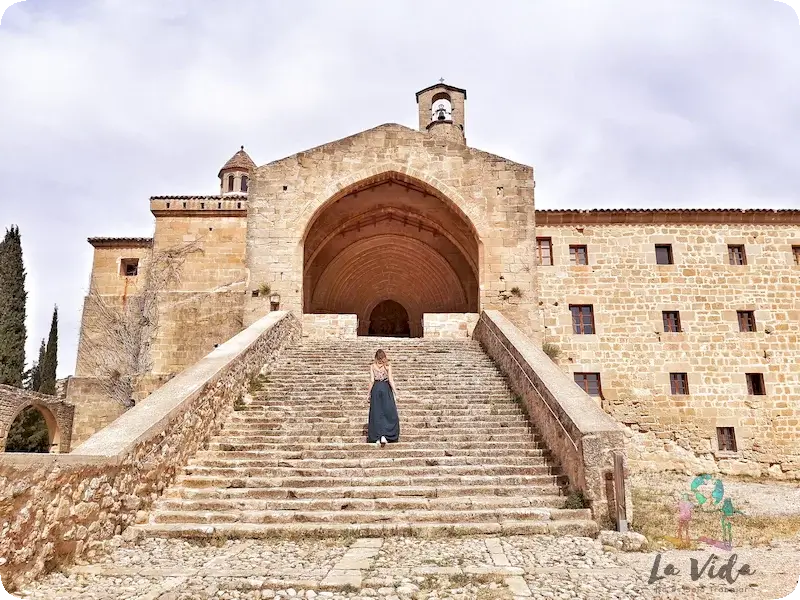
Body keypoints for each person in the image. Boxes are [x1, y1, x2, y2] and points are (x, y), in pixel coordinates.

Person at [366, 349, 400, 447]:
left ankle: (377, 436)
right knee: (387, 412)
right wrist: (396, 392)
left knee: (376, 412)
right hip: (385, 389)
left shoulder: (372, 366)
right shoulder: (388, 366)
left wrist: (368, 394)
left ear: (376, 357)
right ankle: (385, 435)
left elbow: (372, 381)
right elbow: (390, 380)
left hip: (376, 389)